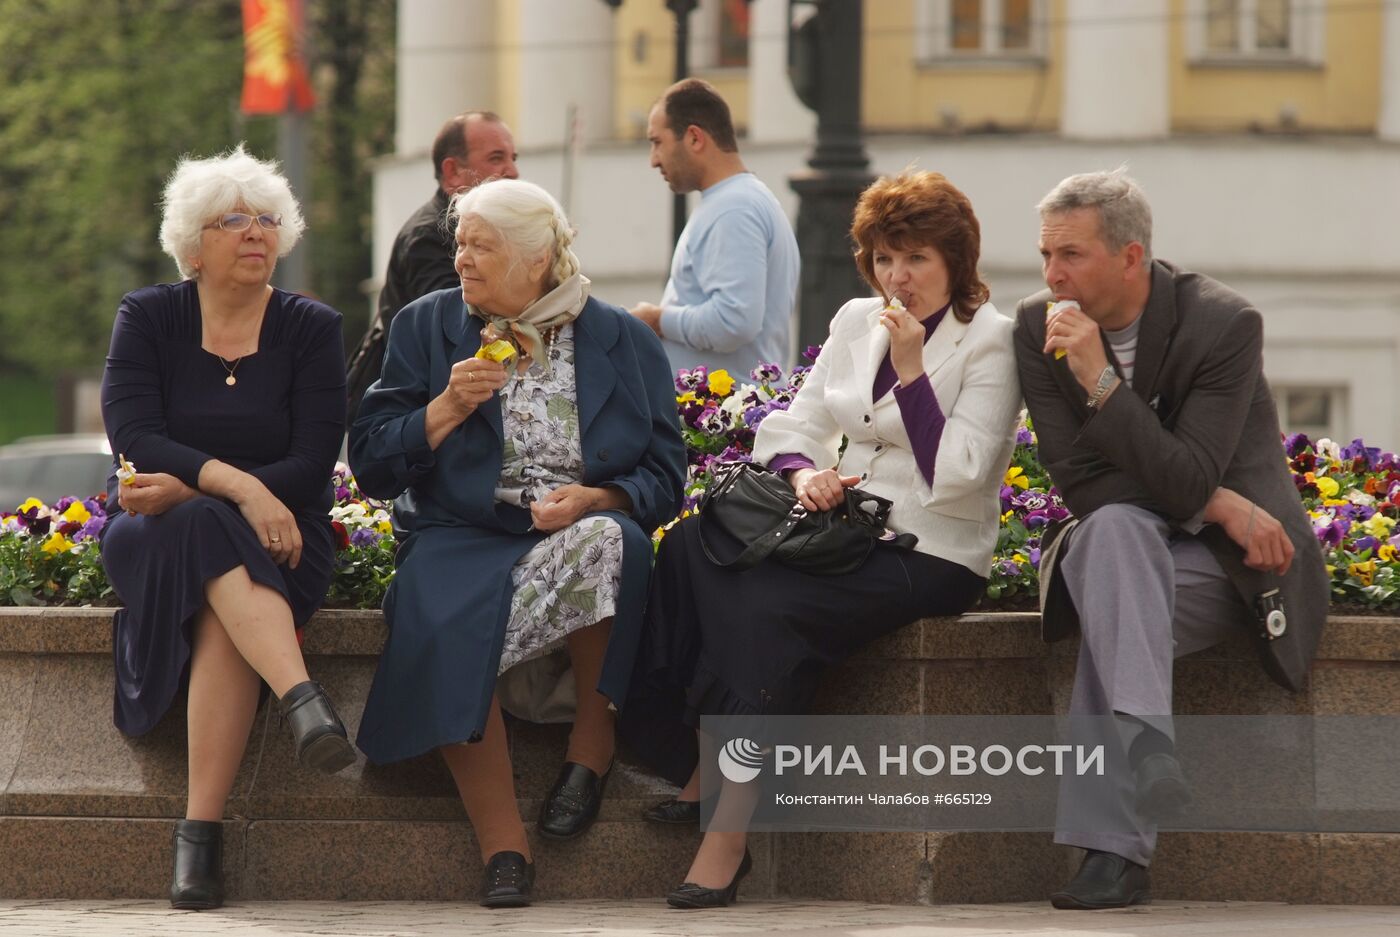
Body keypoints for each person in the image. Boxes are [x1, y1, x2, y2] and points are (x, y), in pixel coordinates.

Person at [621, 171, 1023, 908]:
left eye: (916, 260)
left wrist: (910, 374)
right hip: (840, 528)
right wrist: (806, 473)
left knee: (767, 607)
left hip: (930, 550)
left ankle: (727, 832)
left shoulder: (993, 341)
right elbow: (795, 425)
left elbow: (961, 475)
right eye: (882, 258)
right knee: (688, 547)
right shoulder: (853, 318)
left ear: (957, 261)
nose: (896, 278)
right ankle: (699, 759)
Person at [348, 178, 685, 908]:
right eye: (459, 242)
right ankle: (503, 845)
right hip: (458, 533)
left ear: (538, 260)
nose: (462, 259)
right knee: (437, 616)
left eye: (481, 246)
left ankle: (588, 760)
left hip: (572, 527)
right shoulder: (424, 326)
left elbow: (665, 470)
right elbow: (371, 459)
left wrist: (599, 496)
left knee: (615, 540)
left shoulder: (621, 337)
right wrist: (441, 410)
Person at [1014, 169, 1328, 910]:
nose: (1052, 274)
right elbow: (1080, 484)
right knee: (1114, 533)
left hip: (1242, 566)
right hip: (1136, 542)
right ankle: (1148, 748)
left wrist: (1098, 382)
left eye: (1072, 255)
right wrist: (1219, 501)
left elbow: (1186, 475)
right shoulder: (1036, 326)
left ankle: (1112, 854)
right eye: (1045, 255)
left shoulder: (1223, 323)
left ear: (1131, 257)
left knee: (1116, 598)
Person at [99, 145, 355, 911]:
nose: (255, 232)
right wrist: (238, 485)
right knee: (209, 521)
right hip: (154, 530)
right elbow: (135, 433)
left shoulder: (310, 327)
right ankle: (301, 695)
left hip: (286, 538)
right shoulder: (148, 315)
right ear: (192, 244)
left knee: (218, 597)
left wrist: (211, 490)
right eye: (233, 220)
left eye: (268, 219)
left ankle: (198, 841)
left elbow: (314, 461)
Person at [346, 111, 520, 426]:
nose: (512, 171)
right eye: (497, 158)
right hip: (424, 422)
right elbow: (456, 328)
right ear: (452, 171)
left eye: (513, 158)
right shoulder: (429, 237)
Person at [630, 77, 799, 378]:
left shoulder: (733, 208)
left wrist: (657, 320)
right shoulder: (737, 201)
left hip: (729, 419)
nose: (653, 160)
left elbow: (734, 322)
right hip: (727, 415)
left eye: (657, 142)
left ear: (694, 138)